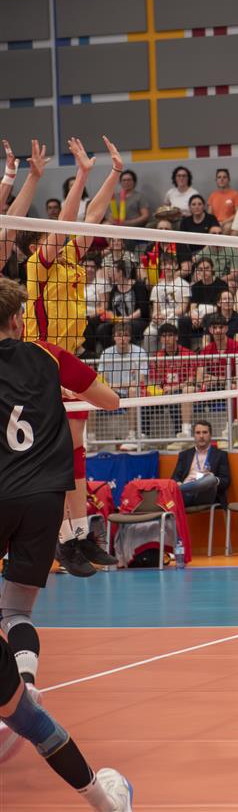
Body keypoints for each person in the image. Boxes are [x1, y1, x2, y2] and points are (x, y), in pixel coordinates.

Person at [0, 277, 133, 808]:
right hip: (42, 499)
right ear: (18, 319)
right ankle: (25, 684)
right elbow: (111, 400)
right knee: (16, 609)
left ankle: (16, 695)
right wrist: (60, 392)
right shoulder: (49, 355)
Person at [5, 136, 123, 576]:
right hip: (41, 363)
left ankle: (77, 534)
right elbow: (70, 219)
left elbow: (92, 216)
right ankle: (65, 537)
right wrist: (81, 176)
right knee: (61, 453)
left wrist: (111, 174)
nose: (66, 230)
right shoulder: (39, 262)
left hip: (67, 360)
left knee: (76, 452)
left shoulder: (72, 255)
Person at [170, 420, 231, 508]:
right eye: (198, 433)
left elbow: (226, 481)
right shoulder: (185, 455)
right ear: (194, 436)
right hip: (185, 494)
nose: (201, 436)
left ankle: (183, 489)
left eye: (205, 432)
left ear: (210, 435)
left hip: (205, 493)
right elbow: (174, 477)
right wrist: (178, 483)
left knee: (210, 479)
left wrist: (214, 479)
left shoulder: (220, 455)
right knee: (169, 488)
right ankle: (184, 489)